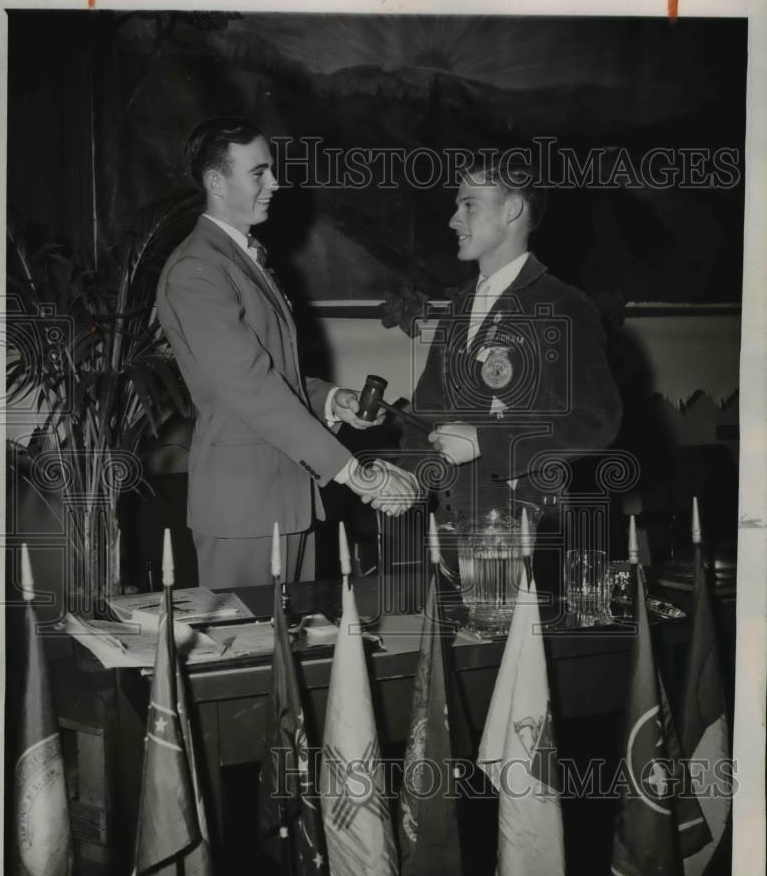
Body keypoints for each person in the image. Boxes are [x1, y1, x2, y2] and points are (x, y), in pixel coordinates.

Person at [156, 117, 417, 588]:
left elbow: (275, 373)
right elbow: (251, 387)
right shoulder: (197, 269)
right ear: (217, 182)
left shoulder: (243, 258)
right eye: (259, 172)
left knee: (292, 652)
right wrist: (356, 475)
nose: (275, 183)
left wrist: (330, 400)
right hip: (244, 510)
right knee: (252, 654)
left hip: (287, 498)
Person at [399, 152, 622, 524]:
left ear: (512, 209)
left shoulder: (562, 304)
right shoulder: (458, 309)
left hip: (529, 525)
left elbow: (594, 421)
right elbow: (427, 413)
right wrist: (408, 477)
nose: (454, 220)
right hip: (454, 523)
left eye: (469, 205)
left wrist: (485, 441)